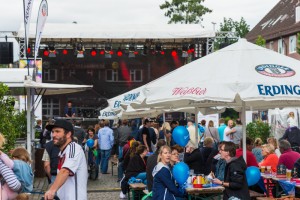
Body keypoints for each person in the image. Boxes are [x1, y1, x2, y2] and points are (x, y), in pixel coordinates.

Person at [44, 119, 88, 200]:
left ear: (68, 134)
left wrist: (52, 190)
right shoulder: (62, 152)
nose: (53, 135)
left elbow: (65, 171)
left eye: (57, 131)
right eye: (53, 132)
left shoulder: (73, 148)